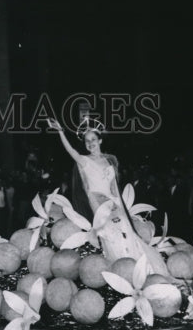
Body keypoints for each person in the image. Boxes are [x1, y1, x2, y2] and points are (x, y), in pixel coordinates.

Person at [47, 118, 169, 275]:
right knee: (111, 237)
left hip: (115, 204)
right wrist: (60, 131)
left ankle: (142, 271)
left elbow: (114, 188)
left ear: (100, 140)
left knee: (127, 233)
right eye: (87, 141)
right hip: (99, 207)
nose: (90, 143)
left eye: (93, 139)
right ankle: (121, 272)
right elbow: (71, 151)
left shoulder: (110, 160)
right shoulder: (85, 161)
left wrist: (119, 206)